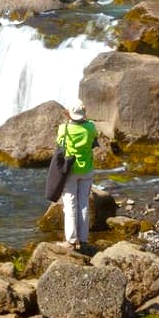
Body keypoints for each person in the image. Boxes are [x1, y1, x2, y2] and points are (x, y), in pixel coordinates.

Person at [57, 101, 97, 250]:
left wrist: (68, 118)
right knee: (84, 204)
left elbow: (60, 142)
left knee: (70, 205)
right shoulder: (91, 127)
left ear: (70, 114)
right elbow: (94, 136)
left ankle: (72, 241)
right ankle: (84, 239)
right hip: (87, 169)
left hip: (71, 170)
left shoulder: (64, 128)